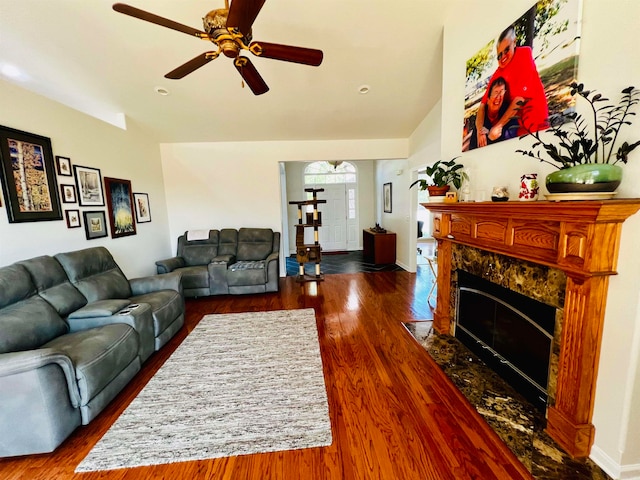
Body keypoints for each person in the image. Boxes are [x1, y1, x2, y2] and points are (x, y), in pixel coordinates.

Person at [475, 25, 548, 147]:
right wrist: (479, 130)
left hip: (537, 124)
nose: (503, 57)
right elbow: (482, 105)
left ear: (514, 42)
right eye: (499, 55)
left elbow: (520, 99)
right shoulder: (498, 73)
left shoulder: (524, 54)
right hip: (517, 129)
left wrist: (498, 126)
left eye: (506, 50)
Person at [468, 76, 519, 149]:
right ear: (487, 100)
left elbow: (510, 140)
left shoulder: (508, 113)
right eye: (496, 92)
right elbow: (473, 148)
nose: (498, 97)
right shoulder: (481, 120)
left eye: (501, 92)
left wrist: (490, 135)